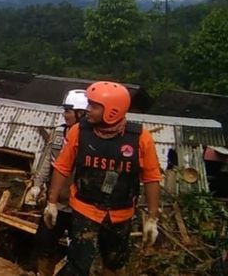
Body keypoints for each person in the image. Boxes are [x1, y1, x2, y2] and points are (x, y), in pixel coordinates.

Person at [44, 81, 162, 276]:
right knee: (78, 264)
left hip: (121, 213)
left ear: (112, 111)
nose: (87, 110)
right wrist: (52, 202)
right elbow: (62, 167)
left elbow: (151, 178)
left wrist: (152, 218)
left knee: (114, 263)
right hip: (85, 209)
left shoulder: (140, 138)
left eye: (94, 106)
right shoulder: (79, 132)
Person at [26, 90, 88, 276]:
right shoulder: (59, 132)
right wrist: (37, 184)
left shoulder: (93, 139)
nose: (65, 114)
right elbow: (47, 160)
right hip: (57, 203)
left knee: (79, 251)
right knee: (44, 240)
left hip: (81, 206)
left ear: (81, 113)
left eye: (69, 110)